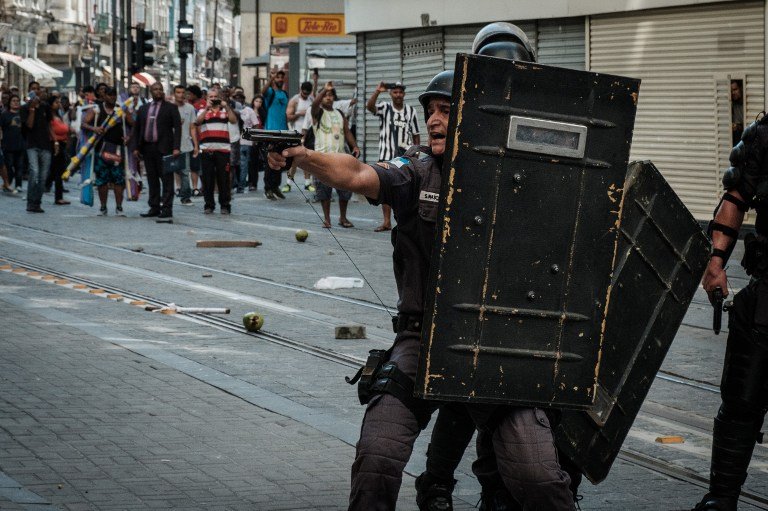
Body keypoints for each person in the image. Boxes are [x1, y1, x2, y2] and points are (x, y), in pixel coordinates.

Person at [268, 68, 575, 511]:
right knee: (377, 457)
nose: (433, 120)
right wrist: (302, 156)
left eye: (446, 111)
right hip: (422, 340)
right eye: (430, 111)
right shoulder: (417, 171)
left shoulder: (523, 183)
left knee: (539, 478)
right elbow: (356, 174)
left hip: (500, 348)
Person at [693, 113, 768, 510]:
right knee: (741, 400)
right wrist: (716, 263)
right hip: (765, 299)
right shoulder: (764, 137)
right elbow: (735, 199)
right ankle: (720, 500)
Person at [366, 80, 420, 232]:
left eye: (400, 92)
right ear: (391, 94)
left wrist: (416, 153)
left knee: (406, 187)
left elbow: (416, 134)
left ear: (404, 94)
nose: (398, 95)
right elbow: (370, 107)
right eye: (395, 92)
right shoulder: (385, 107)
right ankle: (386, 222)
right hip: (386, 155)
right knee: (386, 187)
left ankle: (404, 220)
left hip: (404, 156)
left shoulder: (411, 111)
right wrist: (377, 91)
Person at [309, 83, 359, 228]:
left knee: (345, 188)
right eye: (325, 95)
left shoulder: (339, 113)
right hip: (322, 158)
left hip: (340, 158)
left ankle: (343, 218)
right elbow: (314, 105)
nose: (328, 98)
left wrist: (354, 146)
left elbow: (347, 132)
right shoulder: (317, 113)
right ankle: (327, 219)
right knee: (324, 190)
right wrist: (324, 88)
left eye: (330, 95)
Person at [132, 82, 181, 221]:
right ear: (151, 92)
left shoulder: (171, 108)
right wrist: (136, 147)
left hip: (165, 148)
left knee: (166, 179)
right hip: (148, 148)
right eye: (155, 89)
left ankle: (166, 208)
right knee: (152, 180)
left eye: (160, 89)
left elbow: (178, 128)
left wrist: (176, 147)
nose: (158, 91)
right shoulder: (143, 109)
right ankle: (154, 207)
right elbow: (137, 129)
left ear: (163, 91)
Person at [82, 87, 129, 215]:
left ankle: (119, 207)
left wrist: (128, 137)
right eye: (109, 95)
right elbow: (84, 123)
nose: (112, 97)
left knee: (118, 180)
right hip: (101, 149)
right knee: (102, 180)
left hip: (117, 150)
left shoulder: (121, 109)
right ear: (104, 96)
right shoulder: (96, 109)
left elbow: (133, 124)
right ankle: (103, 207)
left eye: (114, 95)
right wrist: (94, 128)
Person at [196, 86, 237, 215]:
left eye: (216, 97)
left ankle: (225, 205)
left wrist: (226, 106)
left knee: (223, 179)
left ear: (220, 98)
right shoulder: (202, 111)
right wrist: (206, 109)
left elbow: (233, 120)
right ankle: (209, 205)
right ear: (206, 98)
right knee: (207, 180)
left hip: (223, 150)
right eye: (211, 97)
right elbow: (197, 122)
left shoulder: (225, 111)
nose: (213, 99)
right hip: (207, 150)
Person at [20, 85, 52, 213]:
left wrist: (54, 142)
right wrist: (32, 109)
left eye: (38, 90)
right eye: (33, 90)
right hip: (32, 145)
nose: (37, 92)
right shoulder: (24, 109)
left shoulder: (45, 107)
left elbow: (49, 125)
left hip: (45, 145)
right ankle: (30, 202)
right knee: (34, 172)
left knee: (43, 176)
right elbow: (29, 125)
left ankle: (37, 202)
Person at [285, 80, 317, 193]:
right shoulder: (294, 101)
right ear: (300, 90)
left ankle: (307, 183)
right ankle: (288, 183)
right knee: (294, 160)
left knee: (307, 159)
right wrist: (299, 114)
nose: (305, 96)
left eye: (307, 94)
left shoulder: (311, 100)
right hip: (295, 133)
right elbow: (288, 116)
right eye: (304, 93)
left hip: (308, 134)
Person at [261, 70, 289, 199]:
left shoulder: (284, 94)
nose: (280, 79)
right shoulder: (270, 93)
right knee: (270, 161)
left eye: (281, 77)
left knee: (280, 160)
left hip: (283, 132)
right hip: (270, 132)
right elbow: (262, 91)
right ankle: (268, 188)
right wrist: (270, 79)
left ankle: (275, 186)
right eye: (278, 77)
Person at [172, 84, 197, 206]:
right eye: (178, 92)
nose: (181, 95)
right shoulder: (170, 108)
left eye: (183, 92)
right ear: (174, 94)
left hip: (186, 144)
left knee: (185, 171)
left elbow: (193, 127)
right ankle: (167, 196)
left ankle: (186, 196)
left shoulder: (190, 108)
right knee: (169, 171)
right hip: (170, 145)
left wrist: (196, 145)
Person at [47, 95, 72, 206]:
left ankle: (45, 185)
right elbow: (50, 130)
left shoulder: (59, 115)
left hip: (62, 144)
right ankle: (58, 197)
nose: (59, 104)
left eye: (59, 102)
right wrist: (56, 142)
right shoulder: (50, 117)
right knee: (58, 171)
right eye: (56, 102)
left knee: (54, 170)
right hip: (54, 145)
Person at [1, 94, 24, 193]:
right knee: (9, 166)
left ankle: (18, 184)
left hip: (20, 144)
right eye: (13, 101)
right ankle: (8, 183)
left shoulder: (23, 114)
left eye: (17, 101)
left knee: (19, 166)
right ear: (10, 103)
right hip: (8, 144)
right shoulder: (4, 114)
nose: (16, 102)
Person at [186, 84, 207, 195]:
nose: (187, 96)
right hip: (191, 138)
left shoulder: (202, 105)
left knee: (202, 165)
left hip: (201, 139)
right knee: (194, 165)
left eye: (189, 94)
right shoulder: (189, 104)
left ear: (194, 94)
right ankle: (197, 187)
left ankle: (205, 186)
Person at [238, 95, 260, 194]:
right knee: (236, 165)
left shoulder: (249, 111)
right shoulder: (232, 109)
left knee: (244, 164)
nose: (238, 99)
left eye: (240, 97)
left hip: (246, 142)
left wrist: (254, 138)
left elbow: (256, 124)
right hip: (233, 141)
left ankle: (241, 185)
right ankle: (237, 184)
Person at [731, 80, 744, 146]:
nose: (733, 93)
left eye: (735, 89)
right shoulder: (733, 104)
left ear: (741, 88)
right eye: (731, 91)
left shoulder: (745, 104)